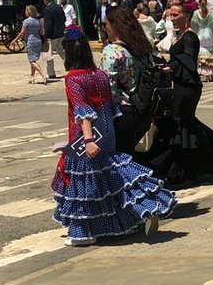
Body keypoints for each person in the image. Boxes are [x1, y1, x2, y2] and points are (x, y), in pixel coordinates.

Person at [50, 26, 177, 247]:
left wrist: (88, 140)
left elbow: (82, 111)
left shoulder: (74, 78)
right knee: (111, 177)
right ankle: (136, 213)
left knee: (86, 184)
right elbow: (109, 103)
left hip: (85, 136)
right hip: (107, 130)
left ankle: (84, 232)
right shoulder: (98, 74)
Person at [143, 0, 213, 185]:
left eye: (176, 15)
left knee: (181, 125)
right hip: (180, 86)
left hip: (188, 88)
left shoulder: (190, 37)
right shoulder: (181, 36)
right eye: (171, 15)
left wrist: (172, 67)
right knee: (185, 126)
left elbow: (189, 60)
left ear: (187, 16)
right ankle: (189, 165)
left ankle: (183, 168)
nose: (172, 18)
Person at [99, 4, 153, 110]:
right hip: (144, 108)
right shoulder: (144, 46)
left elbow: (108, 88)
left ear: (115, 25)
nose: (104, 29)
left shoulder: (112, 51)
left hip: (123, 110)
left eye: (105, 24)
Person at [190, 0, 213, 81]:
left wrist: (196, 32)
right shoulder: (211, 13)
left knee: (202, 55)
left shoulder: (196, 13)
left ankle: (206, 74)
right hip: (209, 35)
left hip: (200, 35)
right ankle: (212, 74)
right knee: (210, 53)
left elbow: (193, 25)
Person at [15, 5, 47, 84]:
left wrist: (15, 39)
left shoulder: (26, 21)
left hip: (30, 40)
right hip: (38, 40)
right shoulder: (38, 21)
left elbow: (22, 32)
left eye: (26, 11)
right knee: (33, 59)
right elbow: (41, 32)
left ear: (29, 12)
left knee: (32, 61)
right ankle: (32, 77)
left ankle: (43, 74)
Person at [41, 0, 66, 80]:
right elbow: (64, 18)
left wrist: (46, 35)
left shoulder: (47, 9)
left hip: (52, 36)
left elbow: (48, 24)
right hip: (60, 33)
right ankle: (70, 66)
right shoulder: (59, 7)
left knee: (48, 54)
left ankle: (51, 73)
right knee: (62, 52)